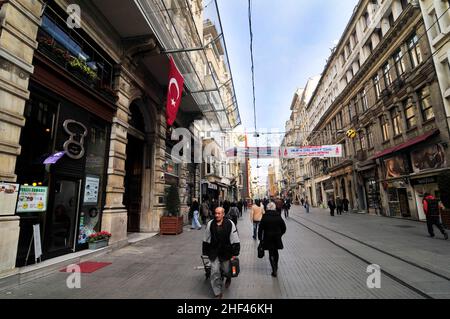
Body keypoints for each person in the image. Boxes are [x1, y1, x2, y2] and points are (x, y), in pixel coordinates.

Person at [203, 207, 240, 299]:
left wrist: (235, 252)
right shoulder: (210, 224)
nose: (217, 215)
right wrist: (205, 251)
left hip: (226, 252)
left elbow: (234, 238)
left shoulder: (230, 224)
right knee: (214, 272)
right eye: (216, 213)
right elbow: (206, 238)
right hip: (214, 251)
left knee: (227, 270)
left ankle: (228, 277)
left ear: (223, 214)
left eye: (219, 213)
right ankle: (217, 292)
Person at [258, 202, 287, 277]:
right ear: (274, 208)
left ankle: (273, 269)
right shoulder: (278, 216)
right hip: (277, 237)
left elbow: (260, 229)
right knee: (276, 251)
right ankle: (276, 266)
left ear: (267, 208)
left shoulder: (265, 217)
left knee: (271, 252)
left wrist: (260, 239)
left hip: (268, 237)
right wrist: (280, 234)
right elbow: (284, 227)